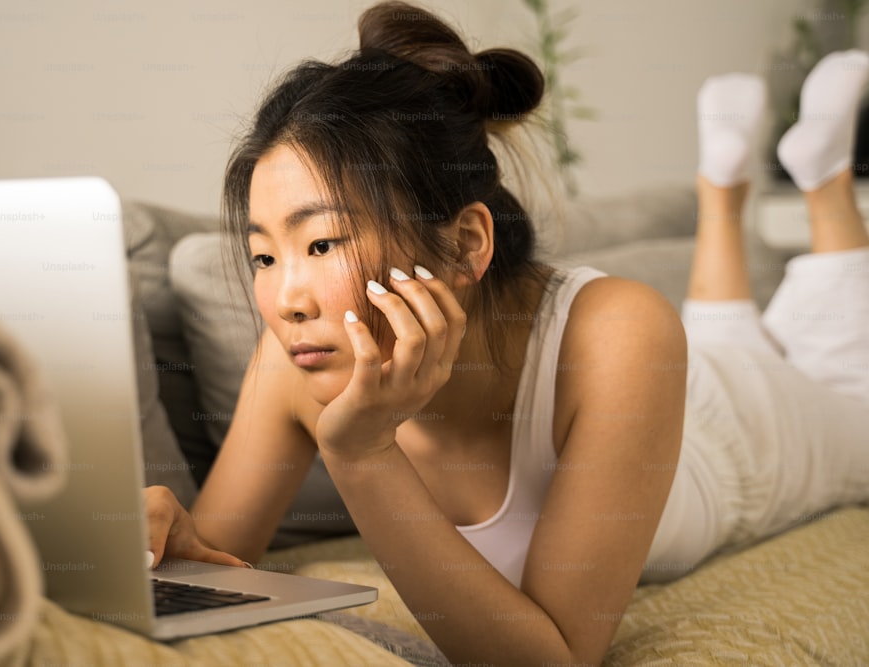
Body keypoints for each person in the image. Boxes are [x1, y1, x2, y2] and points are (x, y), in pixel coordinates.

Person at [144, 2, 869, 664]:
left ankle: (821, 182)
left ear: (464, 244)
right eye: (264, 255)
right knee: (731, 334)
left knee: (846, 388)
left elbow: (552, 658)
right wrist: (167, 541)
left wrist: (361, 453)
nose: (285, 298)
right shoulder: (296, 359)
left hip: (739, 438)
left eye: (323, 243)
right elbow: (220, 563)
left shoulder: (619, 330)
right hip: (669, 394)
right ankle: (724, 192)